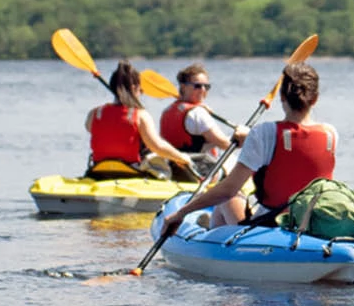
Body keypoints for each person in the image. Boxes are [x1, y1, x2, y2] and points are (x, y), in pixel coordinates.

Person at [159, 62, 335, 232]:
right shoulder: (331, 134)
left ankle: (212, 234)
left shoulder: (264, 133)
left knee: (229, 198)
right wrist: (251, 137)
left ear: (281, 96)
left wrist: (181, 213)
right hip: (312, 222)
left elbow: (227, 190)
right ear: (315, 99)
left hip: (271, 225)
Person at [84, 60, 194, 180]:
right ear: (134, 88)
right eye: (141, 90)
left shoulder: (94, 113)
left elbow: (92, 129)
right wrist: (182, 157)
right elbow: (158, 147)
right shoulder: (140, 115)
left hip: (98, 171)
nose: (141, 93)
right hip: (131, 172)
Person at [158, 63, 234, 181]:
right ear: (183, 87)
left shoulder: (167, 111)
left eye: (206, 86)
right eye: (197, 86)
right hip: (198, 171)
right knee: (234, 159)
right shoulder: (198, 113)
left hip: (174, 169)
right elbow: (225, 144)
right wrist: (241, 137)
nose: (203, 90)